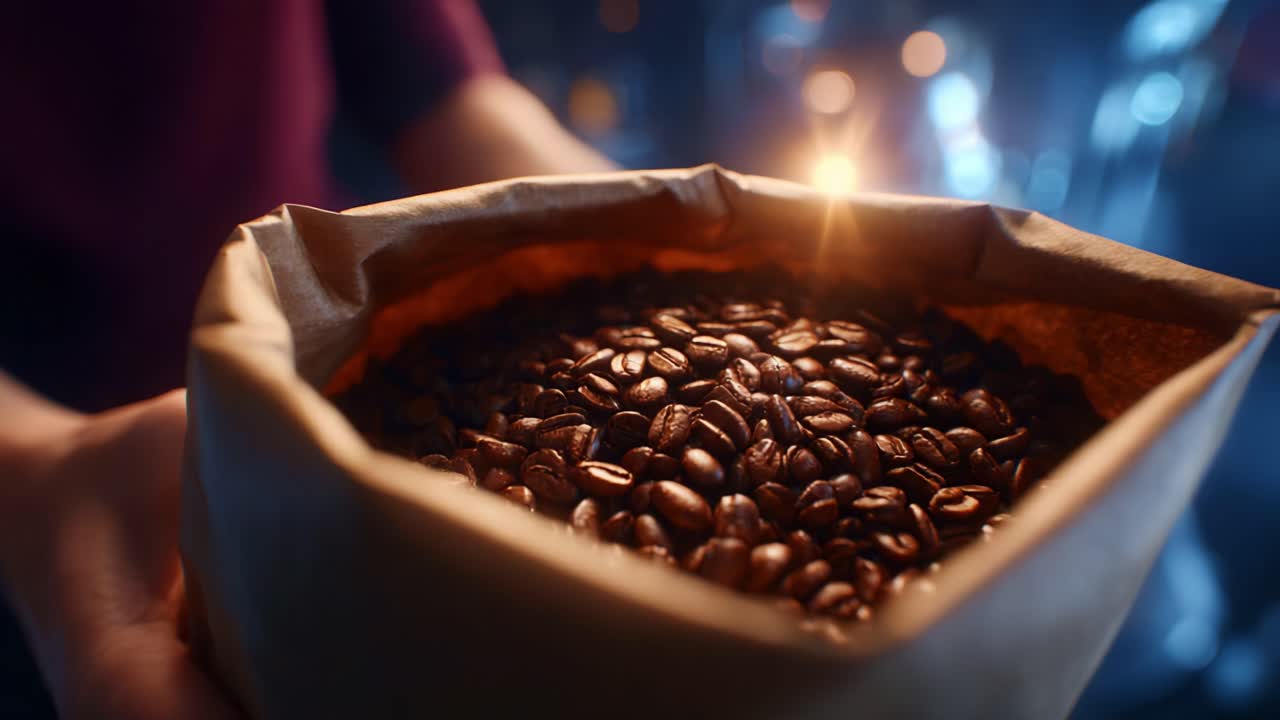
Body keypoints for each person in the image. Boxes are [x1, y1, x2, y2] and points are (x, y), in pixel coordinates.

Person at [0, 2, 615, 717]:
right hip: (56, 510)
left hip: (328, 370)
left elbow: (442, 95)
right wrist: (33, 475)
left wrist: (639, 224)